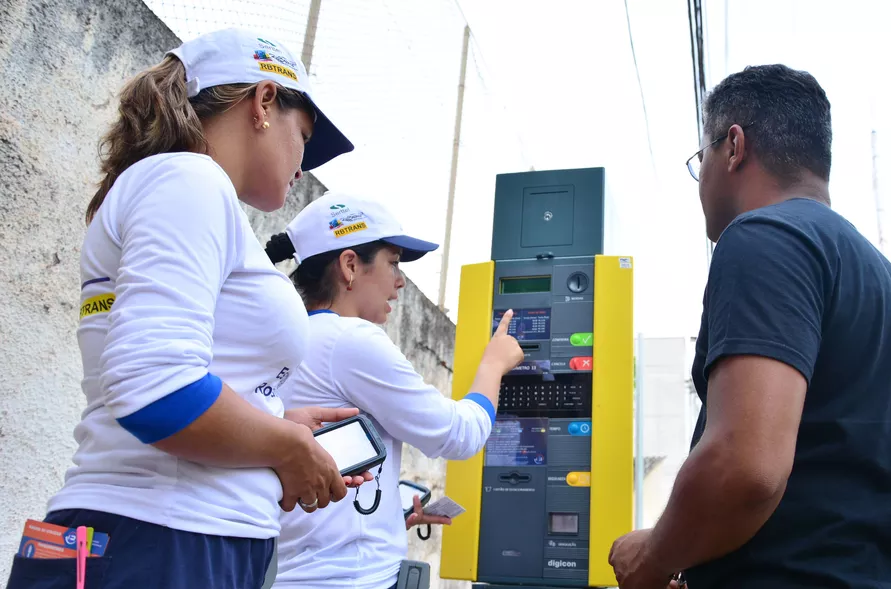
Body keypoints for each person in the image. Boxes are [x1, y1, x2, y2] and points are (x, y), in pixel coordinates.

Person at [6, 28, 374, 589]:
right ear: (264, 101)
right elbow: (157, 388)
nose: (304, 166)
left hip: (160, 537)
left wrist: (273, 419)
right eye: (304, 136)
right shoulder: (189, 179)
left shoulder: (184, 189)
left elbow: (163, 375)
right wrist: (290, 446)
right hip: (161, 540)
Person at [609, 64, 891, 588]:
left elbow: (746, 467)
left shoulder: (765, 237)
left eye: (699, 159)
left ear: (733, 147)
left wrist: (653, 557)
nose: (699, 178)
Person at [263, 195, 525, 589]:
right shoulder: (351, 340)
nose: (400, 280)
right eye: (393, 262)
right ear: (350, 265)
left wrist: (392, 511)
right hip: (350, 579)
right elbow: (457, 434)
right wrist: (493, 365)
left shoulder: (287, 336)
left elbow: (318, 470)